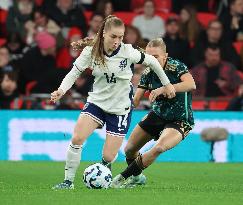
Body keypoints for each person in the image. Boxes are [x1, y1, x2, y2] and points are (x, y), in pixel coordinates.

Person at [50, 15, 176, 190]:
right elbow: (74, 72)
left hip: (120, 109)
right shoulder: (91, 51)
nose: (117, 41)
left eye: (121, 37)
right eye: (113, 36)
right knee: (77, 137)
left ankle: (106, 173)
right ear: (103, 34)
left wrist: (167, 84)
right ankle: (68, 182)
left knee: (108, 156)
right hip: (96, 103)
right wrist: (61, 90)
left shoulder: (128, 51)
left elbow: (153, 61)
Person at [111, 38, 196, 188]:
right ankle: (137, 178)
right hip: (157, 115)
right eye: (149, 57)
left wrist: (164, 88)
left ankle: (122, 177)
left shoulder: (176, 66)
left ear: (165, 55)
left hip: (180, 119)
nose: (152, 60)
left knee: (159, 147)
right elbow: (135, 101)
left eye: (155, 57)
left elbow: (191, 84)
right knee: (129, 150)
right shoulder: (148, 72)